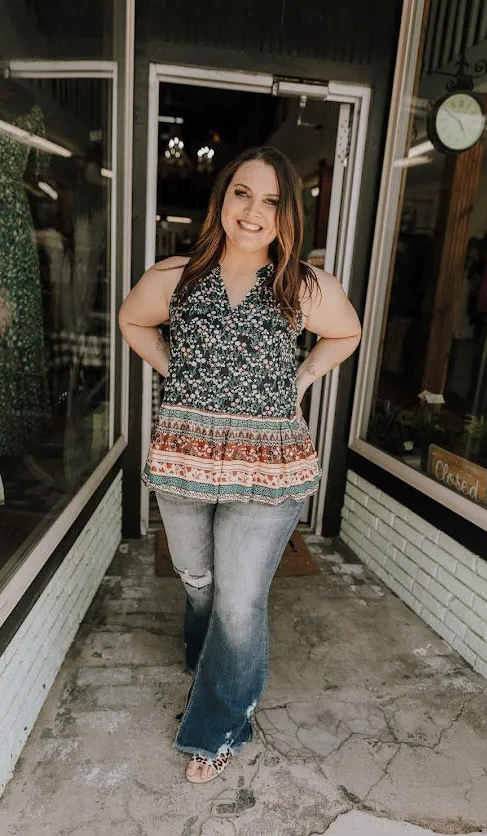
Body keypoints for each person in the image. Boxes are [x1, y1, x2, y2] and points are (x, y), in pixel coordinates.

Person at [119, 146, 361, 784]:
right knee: (199, 583)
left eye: (272, 201)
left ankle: (217, 726)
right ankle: (211, 663)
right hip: (185, 459)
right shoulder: (176, 277)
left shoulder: (304, 286)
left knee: (240, 600)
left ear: (288, 216)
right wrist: (180, 373)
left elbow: (347, 332)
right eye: (242, 195)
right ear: (221, 200)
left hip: (271, 468)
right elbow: (132, 320)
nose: (254, 212)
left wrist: (303, 376)